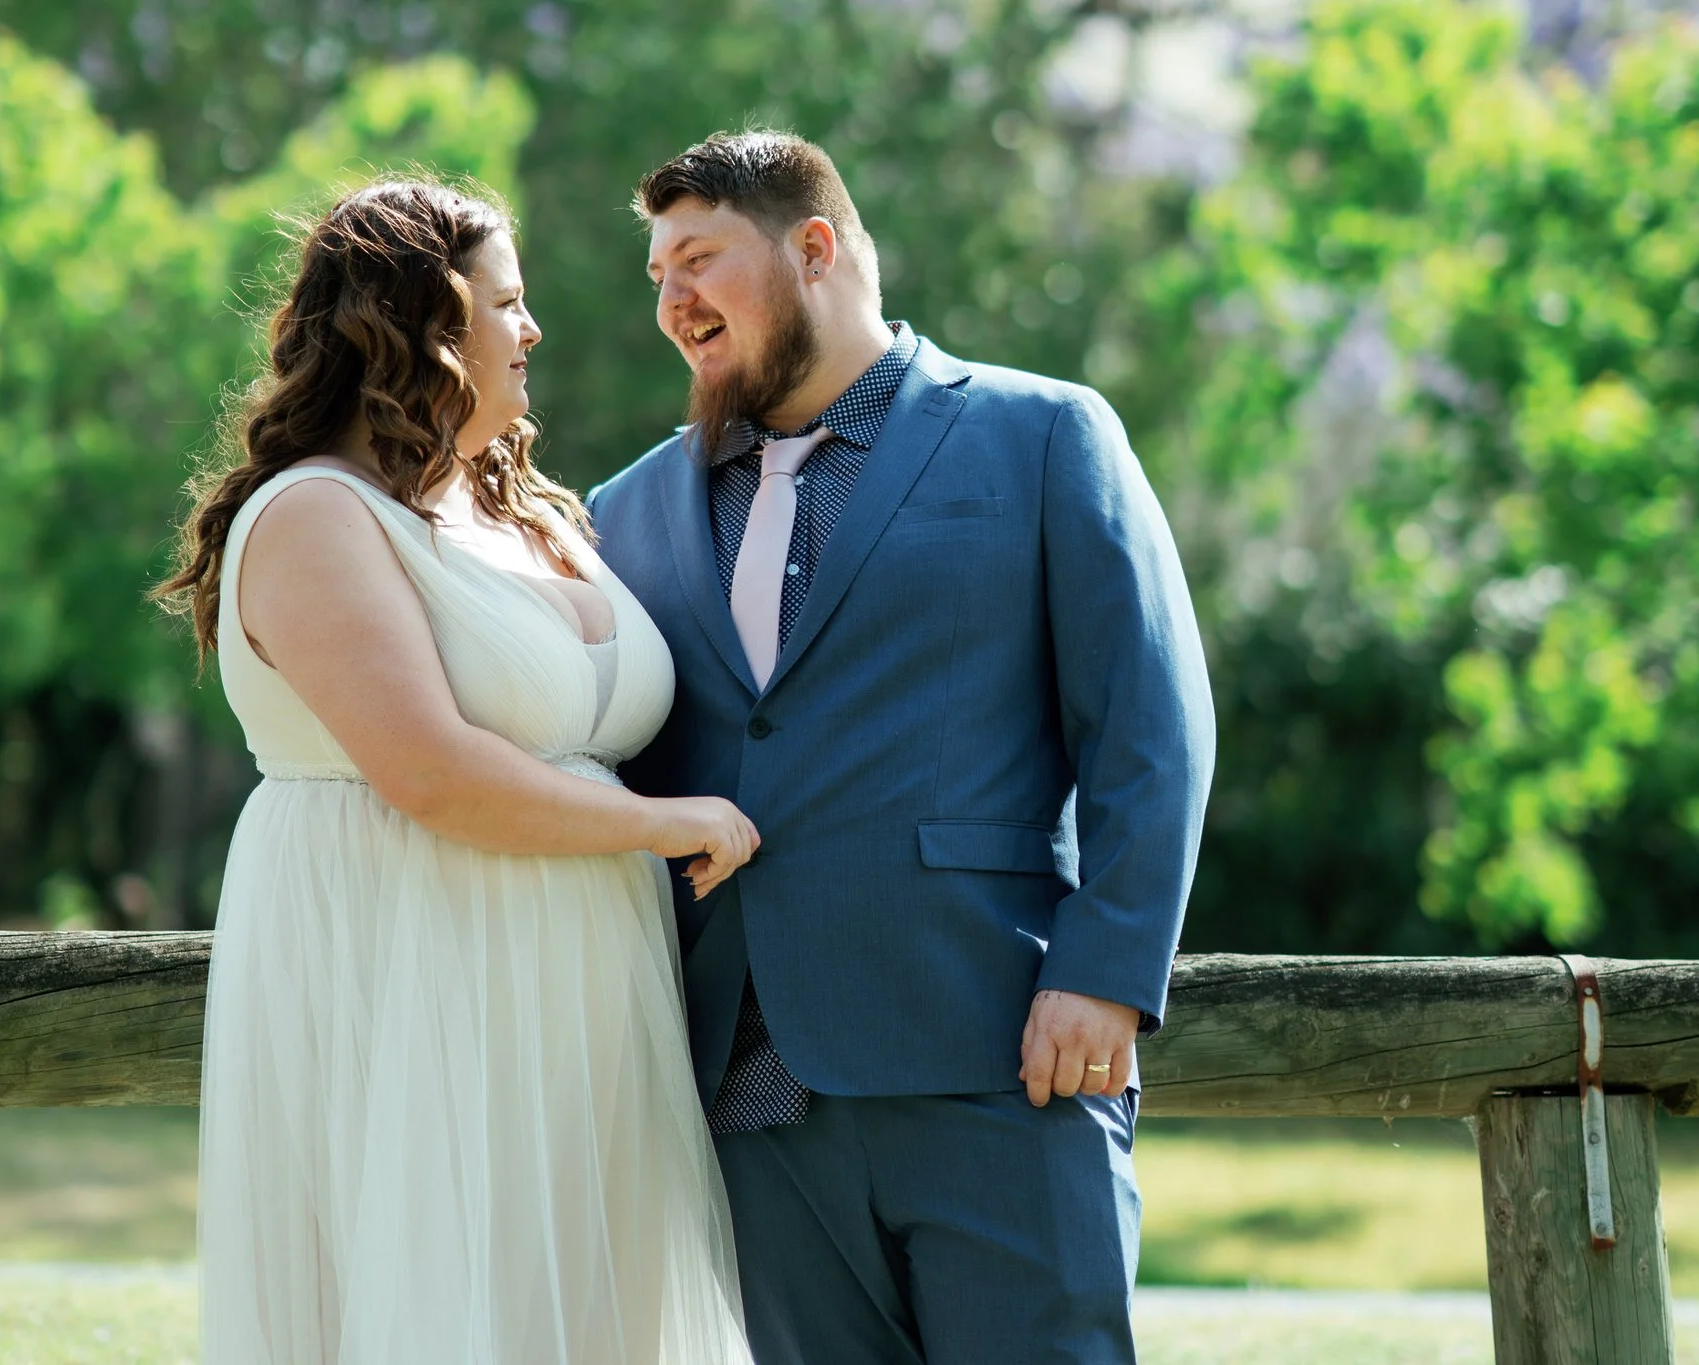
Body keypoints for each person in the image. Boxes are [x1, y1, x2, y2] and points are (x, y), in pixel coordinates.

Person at [587, 131, 1217, 1363]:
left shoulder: (1042, 437)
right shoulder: (627, 511)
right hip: (745, 1093)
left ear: (812, 247)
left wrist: (1106, 970)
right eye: (655, 273)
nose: (670, 302)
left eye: (698, 260)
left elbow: (1150, 720)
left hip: (993, 1056)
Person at [156, 177, 757, 1365]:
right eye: (506, 303)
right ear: (422, 324)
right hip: (414, 972)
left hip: (588, 989)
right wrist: (665, 824)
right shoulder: (315, 517)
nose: (531, 331)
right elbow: (430, 773)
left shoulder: (525, 510)